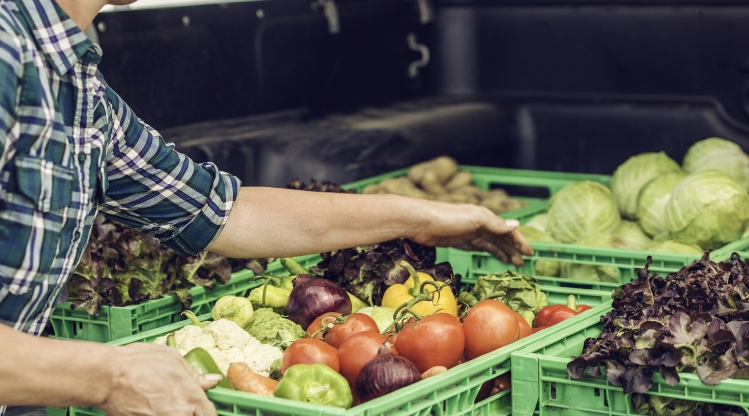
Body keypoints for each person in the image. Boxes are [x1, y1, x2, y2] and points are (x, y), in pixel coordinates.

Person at [0, 0, 532, 414]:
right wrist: (108, 375)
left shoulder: (78, 89)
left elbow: (227, 213)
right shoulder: (8, 54)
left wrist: (425, 218)